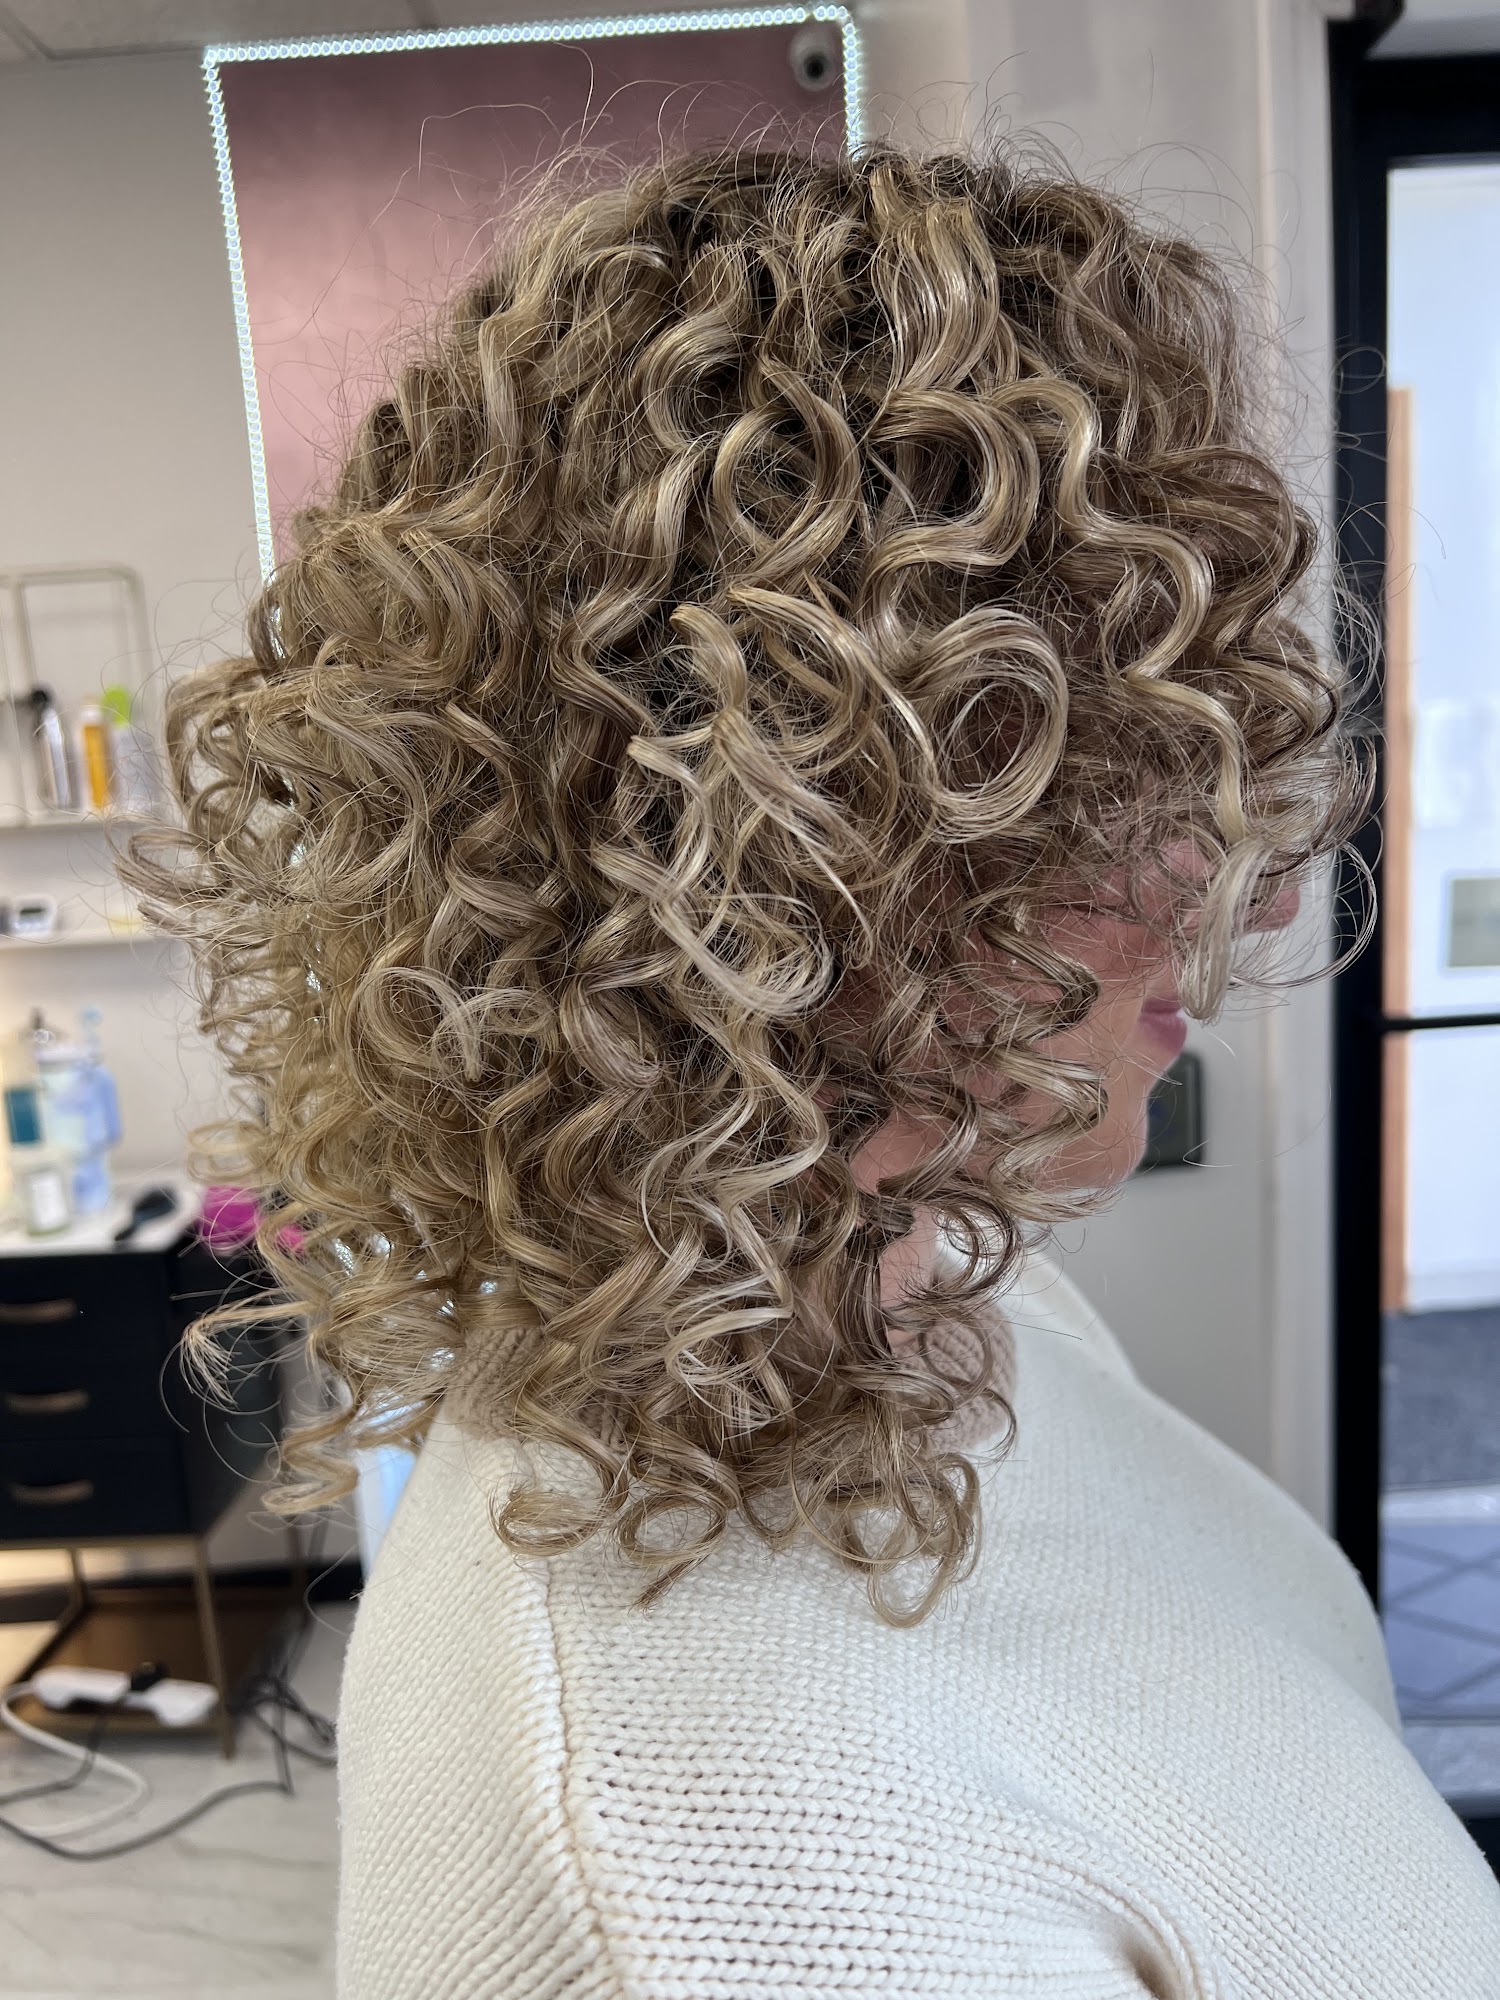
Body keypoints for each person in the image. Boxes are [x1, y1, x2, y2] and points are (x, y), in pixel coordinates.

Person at [128, 143, 1500, 1996]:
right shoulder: (699, 1891)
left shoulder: (937, 1285)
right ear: (752, 875)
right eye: (1093, 789)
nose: (1236, 891)